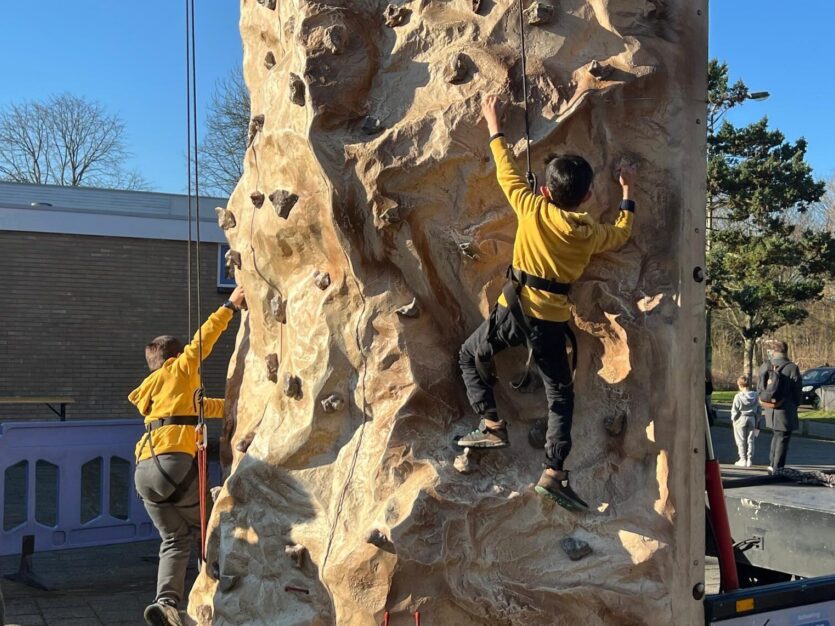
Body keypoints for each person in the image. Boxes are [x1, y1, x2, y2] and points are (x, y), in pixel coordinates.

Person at [456, 93, 636, 511]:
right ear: (589, 196)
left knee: (469, 356)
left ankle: (491, 423)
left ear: (548, 192)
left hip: (513, 313)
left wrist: (493, 124)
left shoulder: (532, 208)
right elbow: (621, 233)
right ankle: (553, 470)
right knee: (560, 395)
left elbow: (506, 172)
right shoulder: (589, 232)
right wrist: (627, 191)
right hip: (552, 324)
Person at [131, 285, 244, 626]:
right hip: (172, 464)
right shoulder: (178, 370)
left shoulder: (157, 393)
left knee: (174, 539)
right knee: (213, 525)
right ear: (171, 360)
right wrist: (230, 305)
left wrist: (237, 406)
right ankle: (227, 584)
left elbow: (202, 407)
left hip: (144, 472)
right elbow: (200, 344)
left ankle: (165, 603)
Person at [757, 339, 803, 473]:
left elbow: (759, 386)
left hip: (769, 408)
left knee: (776, 436)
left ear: (774, 351)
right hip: (785, 408)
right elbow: (797, 390)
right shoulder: (791, 367)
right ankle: (778, 467)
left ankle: (772, 464)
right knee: (783, 437)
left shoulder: (765, 365)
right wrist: (796, 404)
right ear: (786, 351)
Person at [730, 375, 761, 467]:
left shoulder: (738, 396)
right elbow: (759, 408)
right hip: (752, 418)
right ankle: (749, 459)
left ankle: (742, 459)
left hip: (740, 418)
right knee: (751, 440)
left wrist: (733, 419)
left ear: (739, 385)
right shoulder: (755, 395)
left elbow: (734, 410)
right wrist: (758, 419)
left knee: (740, 440)